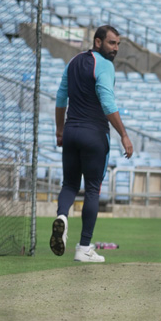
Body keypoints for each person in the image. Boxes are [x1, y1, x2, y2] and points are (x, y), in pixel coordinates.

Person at [50, 25, 133, 262]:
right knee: (93, 189)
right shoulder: (105, 65)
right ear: (98, 42)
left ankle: (62, 218)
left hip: (71, 132)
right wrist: (124, 135)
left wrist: (59, 130)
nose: (115, 49)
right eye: (111, 43)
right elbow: (107, 103)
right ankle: (84, 247)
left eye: (118, 44)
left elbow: (60, 97)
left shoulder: (74, 61)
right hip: (94, 135)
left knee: (69, 185)